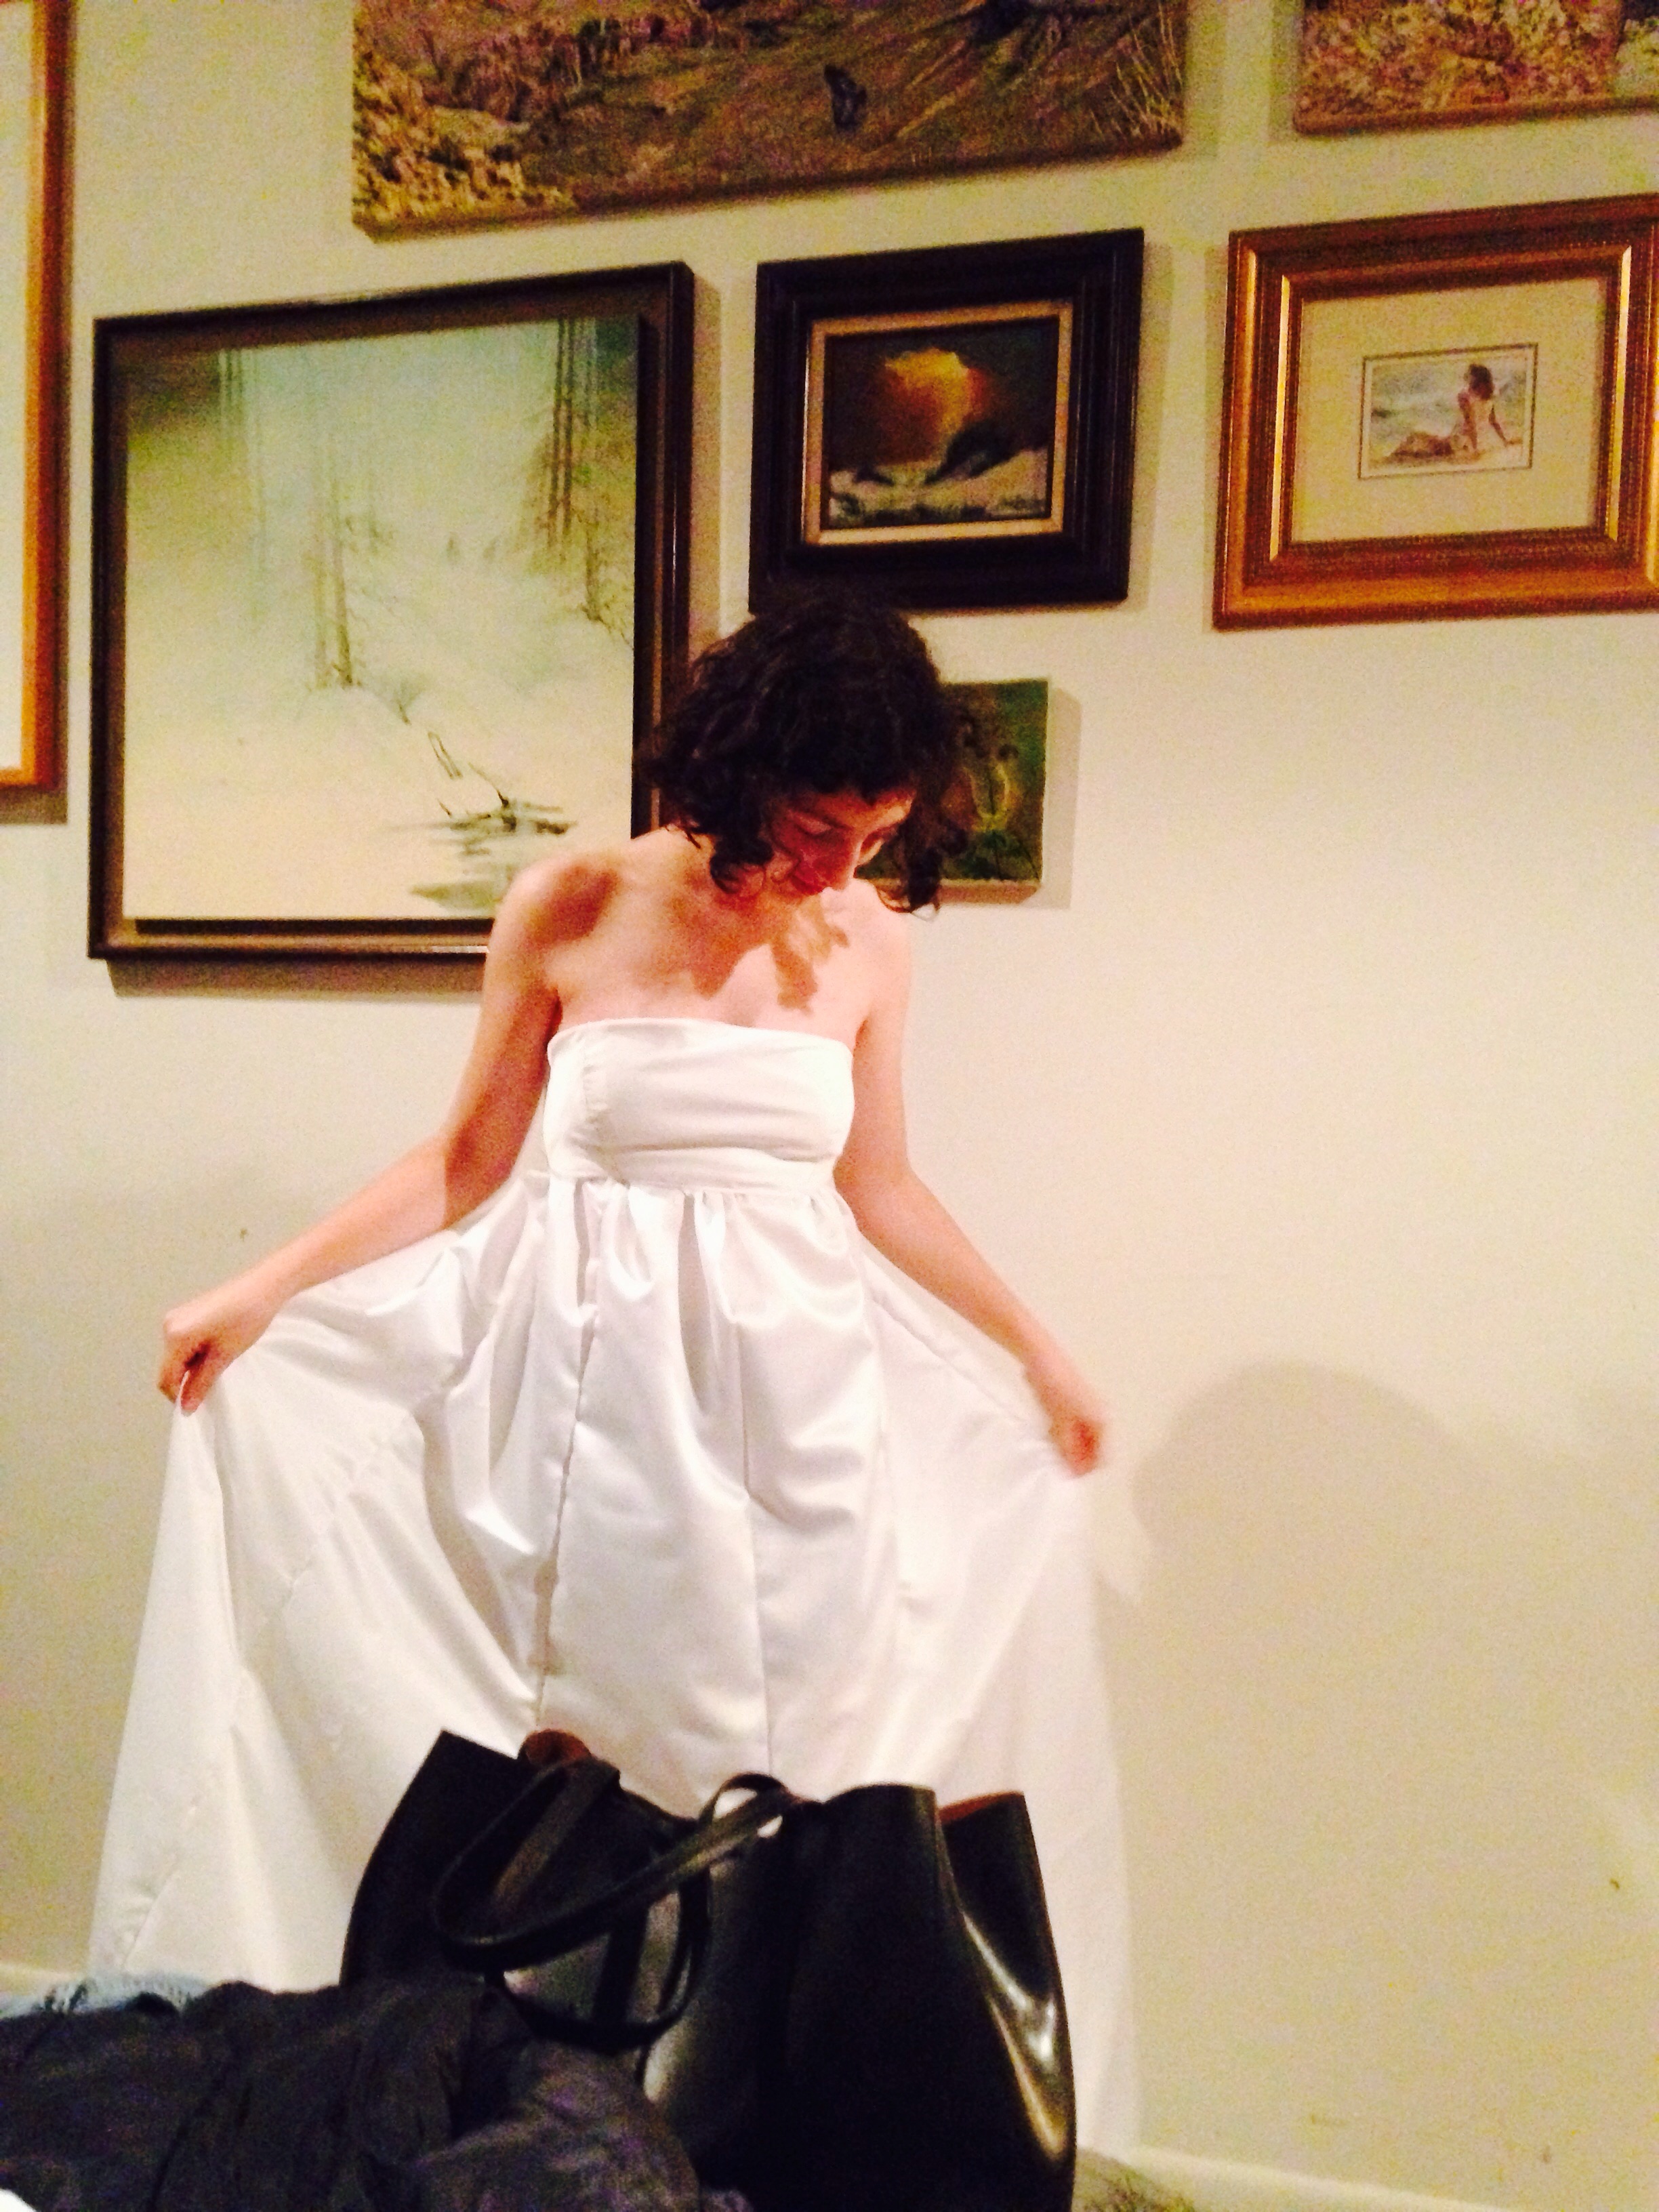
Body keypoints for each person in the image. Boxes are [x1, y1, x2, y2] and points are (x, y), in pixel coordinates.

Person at [91, 589, 1136, 2150]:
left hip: (805, 1406)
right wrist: (259, 1291)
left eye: (875, 833)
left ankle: (755, 2129)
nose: (840, 865)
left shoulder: (870, 939)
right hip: (594, 1403)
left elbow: (882, 1186)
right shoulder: (572, 902)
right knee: (592, 1761)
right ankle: (548, 2118)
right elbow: (465, 1159)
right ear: (739, 767)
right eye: (816, 826)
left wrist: (1039, 1352)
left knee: (806, 1762)